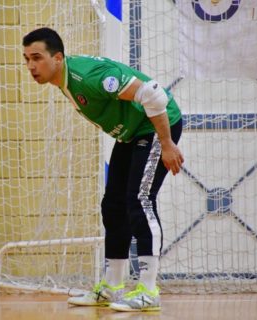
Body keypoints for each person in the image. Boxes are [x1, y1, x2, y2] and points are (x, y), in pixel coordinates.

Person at [21, 28, 183, 312]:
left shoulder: (90, 76)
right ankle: (111, 287)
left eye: (37, 57)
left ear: (58, 58)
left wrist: (167, 144)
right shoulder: (65, 80)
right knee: (113, 206)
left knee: (140, 200)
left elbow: (154, 96)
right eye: (26, 59)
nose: (31, 66)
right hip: (133, 132)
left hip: (156, 125)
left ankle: (148, 290)